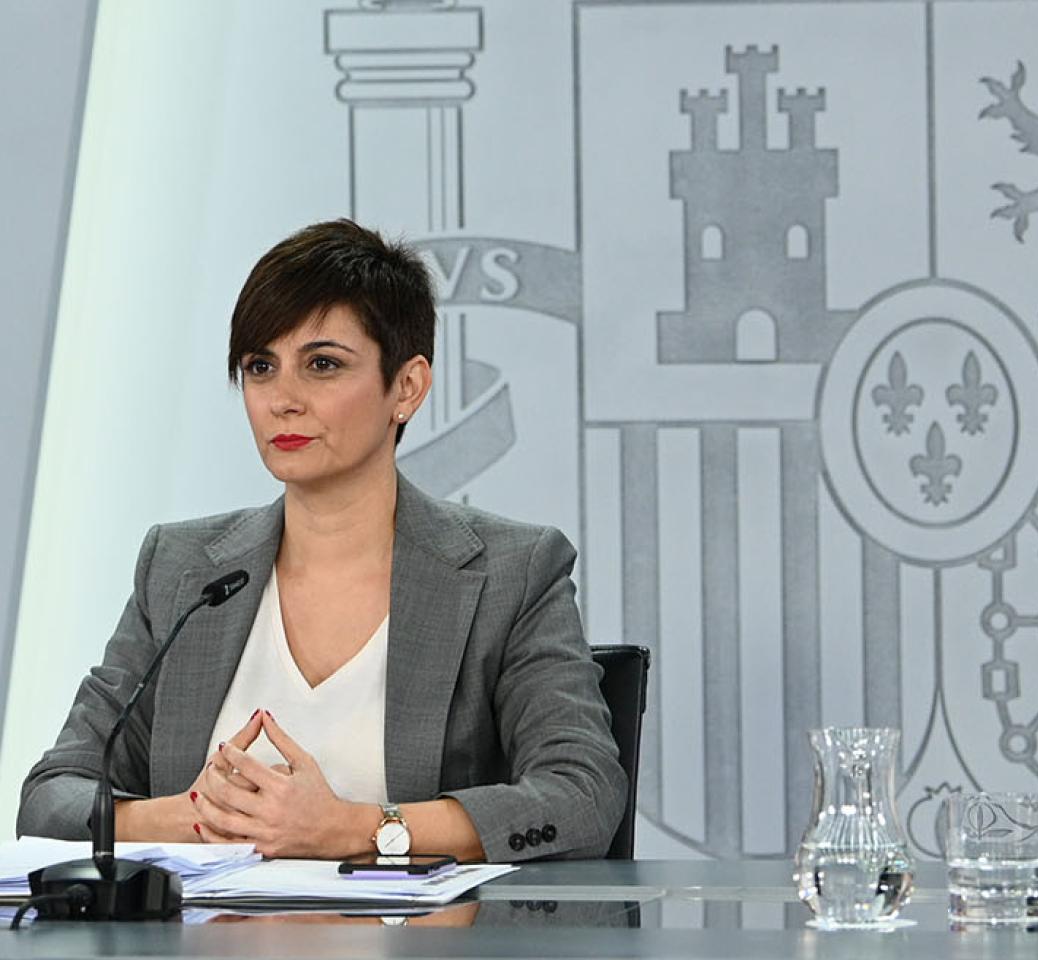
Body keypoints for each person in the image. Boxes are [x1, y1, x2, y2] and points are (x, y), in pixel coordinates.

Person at [18, 219, 626, 862]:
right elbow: (51, 798)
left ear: (408, 387)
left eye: (323, 365)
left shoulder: (512, 572)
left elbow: (581, 797)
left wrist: (357, 829)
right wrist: (194, 817)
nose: (283, 399)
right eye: (260, 367)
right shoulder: (180, 569)